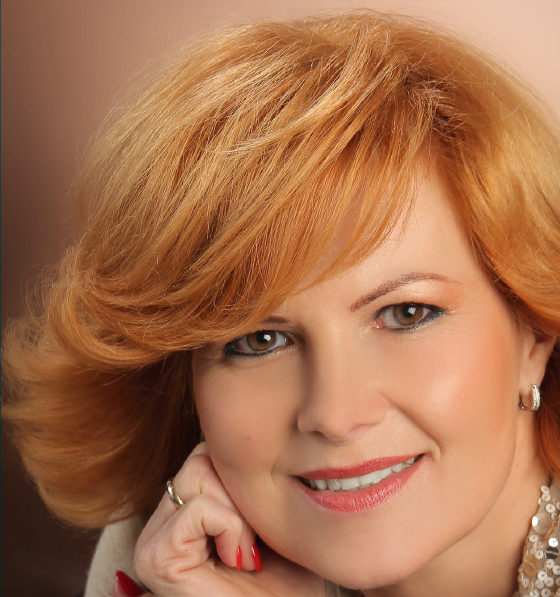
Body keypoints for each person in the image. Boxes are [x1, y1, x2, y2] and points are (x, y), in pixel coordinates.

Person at [3, 10, 560, 597]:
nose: (335, 415)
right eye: (260, 340)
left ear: (533, 334)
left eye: (406, 313)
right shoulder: (173, 550)